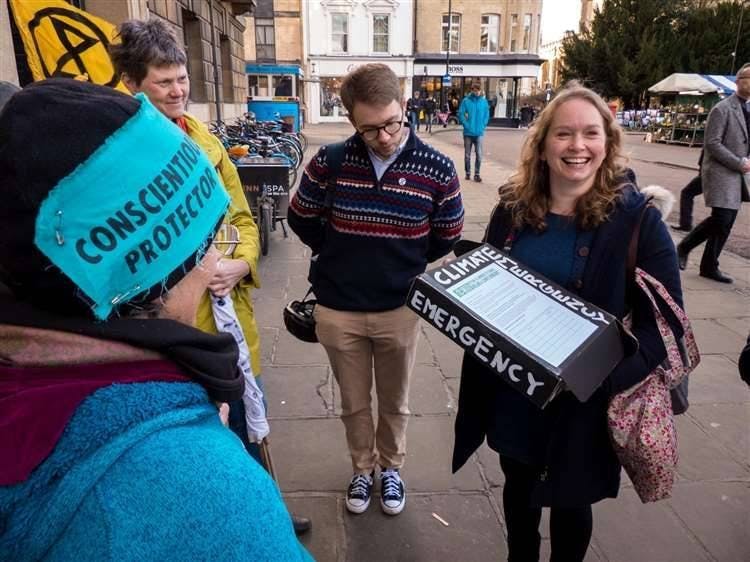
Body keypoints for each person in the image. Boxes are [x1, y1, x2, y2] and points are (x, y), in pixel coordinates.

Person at [0, 78, 312, 561]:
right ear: (152, 273)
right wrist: (189, 449)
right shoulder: (212, 500)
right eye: (205, 245)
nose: (213, 261)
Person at [452, 83, 683, 562]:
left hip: (586, 405)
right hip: (516, 394)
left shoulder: (638, 220)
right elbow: (493, 293)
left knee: (571, 502)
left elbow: (666, 329)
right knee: (518, 488)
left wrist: (600, 381)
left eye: (590, 134)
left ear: (608, 142)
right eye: (564, 134)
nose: (578, 146)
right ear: (542, 144)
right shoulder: (511, 210)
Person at [109, 18, 311, 534]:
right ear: (132, 83)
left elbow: (242, 219)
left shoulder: (205, 139)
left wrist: (242, 262)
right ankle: (224, 530)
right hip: (174, 335)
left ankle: (267, 516)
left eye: (182, 78)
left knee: (251, 424)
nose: (178, 90)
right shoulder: (118, 153)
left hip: (231, 326)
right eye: (164, 82)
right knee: (197, 445)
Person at [287, 63, 464, 516]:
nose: (384, 136)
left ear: (404, 108)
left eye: (392, 123)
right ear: (351, 121)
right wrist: (340, 252)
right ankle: (362, 470)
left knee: (395, 402)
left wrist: (401, 261)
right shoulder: (330, 161)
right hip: (338, 308)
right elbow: (300, 216)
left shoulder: (438, 168)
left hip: (400, 308)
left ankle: (391, 470)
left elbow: (447, 233)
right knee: (352, 402)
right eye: (370, 129)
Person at [677, 63, 750, 284]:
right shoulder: (723, 108)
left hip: (740, 173)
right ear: (739, 81)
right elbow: (712, 143)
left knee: (727, 222)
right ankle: (684, 246)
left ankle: (709, 265)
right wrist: (738, 162)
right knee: (721, 218)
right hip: (721, 171)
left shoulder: (747, 108)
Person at [458, 81, 490, 182]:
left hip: (479, 133)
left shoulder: (484, 102)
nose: (476, 92)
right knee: (467, 155)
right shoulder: (466, 101)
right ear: (472, 90)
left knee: (479, 155)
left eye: (478, 90)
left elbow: (486, 114)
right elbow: (461, 113)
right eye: (475, 90)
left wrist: (483, 125)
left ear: (480, 91)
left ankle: (477, 174)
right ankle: (468, 173)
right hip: (468, 133)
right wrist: (466, 125)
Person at [671, 151, 703, 232]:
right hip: (709, 172)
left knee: (687, 193)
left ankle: (686, 224)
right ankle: (686, 224)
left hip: (709, 173)